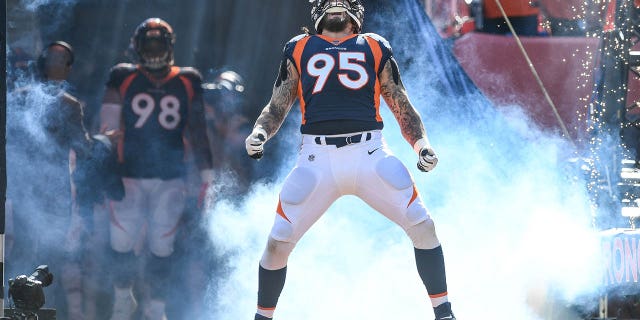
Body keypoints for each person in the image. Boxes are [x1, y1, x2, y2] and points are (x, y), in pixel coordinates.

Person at [244, 1, 456, 319]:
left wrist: (422, 144)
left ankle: (444, 313)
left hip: (369, 152)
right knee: (278, 243)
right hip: (316, 158)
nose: (335, 6)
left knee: (423, 225)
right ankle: (262, 316)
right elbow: (278, 104)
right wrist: (259, 133)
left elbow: (399, 100)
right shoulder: (299, 47)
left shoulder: (373, 45)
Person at [99, 17, 213, 320]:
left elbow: (198, 130)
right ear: (137, 47)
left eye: (158, 43)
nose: (153, 50)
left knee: (163, 246)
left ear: (169, 46)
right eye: (147, 44)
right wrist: (106, 162)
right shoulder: (122, 76)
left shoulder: (188, 79)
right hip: (129, 174)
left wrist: (206, 176)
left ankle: (157, 307)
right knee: (121, 242)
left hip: (170, 176)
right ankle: (124, 298)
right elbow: (108, 128)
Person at [6, 41, 117, 320]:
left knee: (33, 252)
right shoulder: (63, 104)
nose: (56, 63)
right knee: (42, 255)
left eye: (60, 59)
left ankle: (20, 310)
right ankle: (29, 311)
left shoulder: (21, 96)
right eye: (54, 59)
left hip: (35, 190)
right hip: (39, 191)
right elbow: (83, 149)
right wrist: (103, 141)